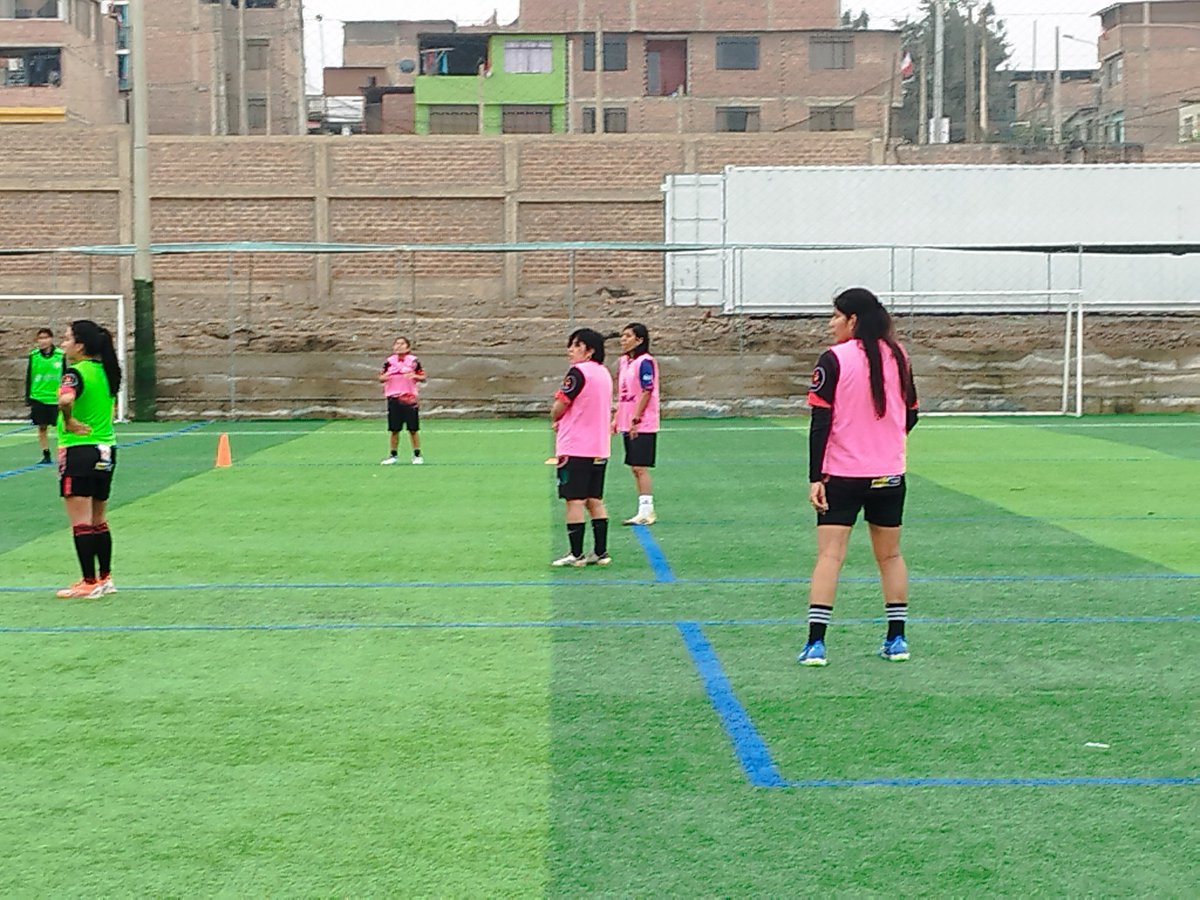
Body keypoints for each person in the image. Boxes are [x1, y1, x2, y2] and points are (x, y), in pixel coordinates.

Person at [798, 288, 919, 667]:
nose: (830, 323)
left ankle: (816, 644)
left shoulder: (833, 359)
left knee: (830, 556)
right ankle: (896, 640)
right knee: (891, 556)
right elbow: (912, 414)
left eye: (835, 316)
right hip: (889, 475)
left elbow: (820, 422)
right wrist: (884, 444)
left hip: (843, 475)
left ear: (852, 319)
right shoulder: (899, 356)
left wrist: (815, 477)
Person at [54, 320, 122, 600]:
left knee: (81, 521)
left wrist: (69, 421)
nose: (63, 344)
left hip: (79, 451)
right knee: (98, 519)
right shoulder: (106, 372)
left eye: (67, 338)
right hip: (106, 450)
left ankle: (88, 581)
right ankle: (105, 578)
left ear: (80, 345)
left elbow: (65, 400)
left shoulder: (75, 373)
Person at [551, 328, 614, 567]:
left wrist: (555, 416)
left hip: (576, 445)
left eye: (577, 346)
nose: (571, 350)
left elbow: (561, 404)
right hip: (599, 446)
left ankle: (575, 554)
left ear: (590, 351)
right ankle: (600, 552)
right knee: (594, 499)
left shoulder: (578, 372)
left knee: (574, 500)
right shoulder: (604, 373)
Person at [613, 322, 660, 525]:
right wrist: (618, 417)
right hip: (627, 420)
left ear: (639, 340)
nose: (623, 339)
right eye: (622, 336)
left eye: (628, 336)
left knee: (640, 467)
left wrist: (636, 417)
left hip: (642, 422)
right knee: (634, 467)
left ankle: (647, 511)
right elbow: (624, 392)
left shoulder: (645, 362)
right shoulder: (624, 362)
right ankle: (643, 509)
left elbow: (647, 390)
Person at [379, 336, 426, 465]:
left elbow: (423, 377)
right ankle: (393, 455)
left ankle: (417, 455)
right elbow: (381, 377)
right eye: (397, 344)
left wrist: (413, 375)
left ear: (408, 347)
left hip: (409, 399)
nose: (399, 346)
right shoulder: (389, 362)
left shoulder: (413, 361)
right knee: (394, 429)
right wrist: (386, 376)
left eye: (402, 344)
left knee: (413, 429)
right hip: (394, 398)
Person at [24, 326, 65, 465]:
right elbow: (29, 376)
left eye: (46, 338)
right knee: (42, 427)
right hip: (39, 397)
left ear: (51, 339)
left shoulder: (60, 355)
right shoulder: (34, 356)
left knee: (61, 427)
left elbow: (65, 375)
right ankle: (46, 454)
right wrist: (28, 397)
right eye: (40, 338)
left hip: (55, 398)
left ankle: (64, 453)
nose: (43, 341)